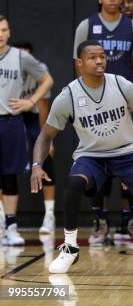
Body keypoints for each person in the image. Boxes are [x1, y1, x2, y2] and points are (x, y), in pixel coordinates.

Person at [31, 40, 133, 274]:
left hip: (127, 152)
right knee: (75, 183)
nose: (99, 61)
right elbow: (45, 135)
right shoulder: (67, 96)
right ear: (79, 63)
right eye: (92, 57)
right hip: (92, 155)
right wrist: (37, 164)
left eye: (102, 56)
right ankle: (70, 247)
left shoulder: (122, 85)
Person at [72, 0, 133, 245]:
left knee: (131, 163)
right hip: (93, 105)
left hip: (123, 105)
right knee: (96, 163)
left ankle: (131, 221)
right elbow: (77, 67)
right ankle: (99, 221)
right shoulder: (86, 27)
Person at [0, 16, 53, 245]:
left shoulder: (21, 57)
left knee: (9, 175)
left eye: (3, 29)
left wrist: (31, 102)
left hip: (10, 121)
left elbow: (47, 80)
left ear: (9, 32)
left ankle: (11, 227)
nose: (0, 34)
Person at [12, 41, 56, 234]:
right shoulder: (7, 67)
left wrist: (47, 138)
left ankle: (50, 215)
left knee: (45, 157)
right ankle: (4, 218)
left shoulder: (40, 70)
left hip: (35, 115)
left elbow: (44, 106)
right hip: (11, 115)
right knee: (7, 162)